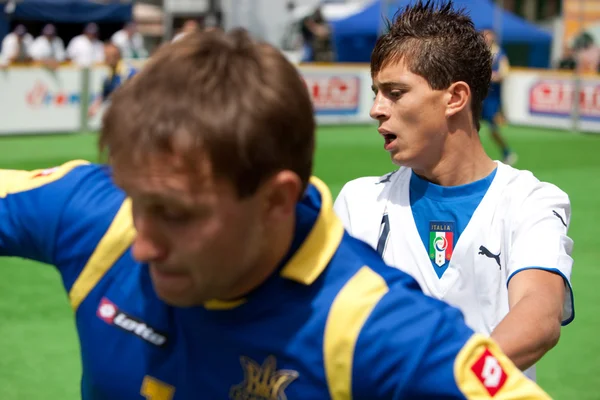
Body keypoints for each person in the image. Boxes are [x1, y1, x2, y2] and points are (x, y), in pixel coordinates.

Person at [0, 29, 550, 399]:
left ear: (275, 200)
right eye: (135, 200)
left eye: (178, 216)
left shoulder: (378, 329)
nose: (140, 243)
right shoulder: (94, 213)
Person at [334, 0, 573, 383]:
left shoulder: (531, 200)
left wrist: (444, 379)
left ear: (456, 98)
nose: (376, 109)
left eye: (395, 92)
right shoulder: (358, 202)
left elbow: (539, 317)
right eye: (377, 92)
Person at [481, 29, 516, 165]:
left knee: (493, 129)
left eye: (488, 35)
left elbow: (504, 73)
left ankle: (507, 151)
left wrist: (492, 76)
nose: (486, 38)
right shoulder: (480, 52)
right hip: (480, 96)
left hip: (492, 98)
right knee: (470, 126)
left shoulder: (500, 54)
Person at [88, 43, 137, 118]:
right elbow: (104, 94)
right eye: (105, 55)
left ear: (117, 56)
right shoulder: (108, 76)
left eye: (108, 56)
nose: (105, 58)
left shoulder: (129, 73)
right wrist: (94, 106)